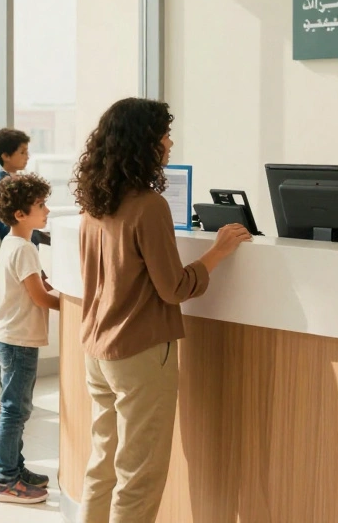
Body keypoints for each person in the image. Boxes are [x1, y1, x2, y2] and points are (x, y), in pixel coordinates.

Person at [73, 97, 251, 523]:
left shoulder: (95, 203)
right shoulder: (149, 206)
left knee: (102, 467)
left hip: (97, 352)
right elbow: (173, 287)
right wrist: (218, 252)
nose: (169, 142)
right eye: (163, 135)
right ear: (144, 143)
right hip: (139, 354)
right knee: (139, 476)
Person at [0, 173, 61, 504]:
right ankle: (6, 480)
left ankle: (16, 468)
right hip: (19, 342)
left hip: (10, 338)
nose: (46, 210)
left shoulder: (13, 244)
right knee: (15, 411)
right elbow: (40, 297)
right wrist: (74, 307)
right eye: (40, 205)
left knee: (17, 409)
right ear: (20, 214)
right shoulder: (26, 249)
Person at [0, 128, 50, 246]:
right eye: (22, 152)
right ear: (6, 156)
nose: (27, 157)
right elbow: (8, 226)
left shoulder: (14, 180)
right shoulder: (3, 186)